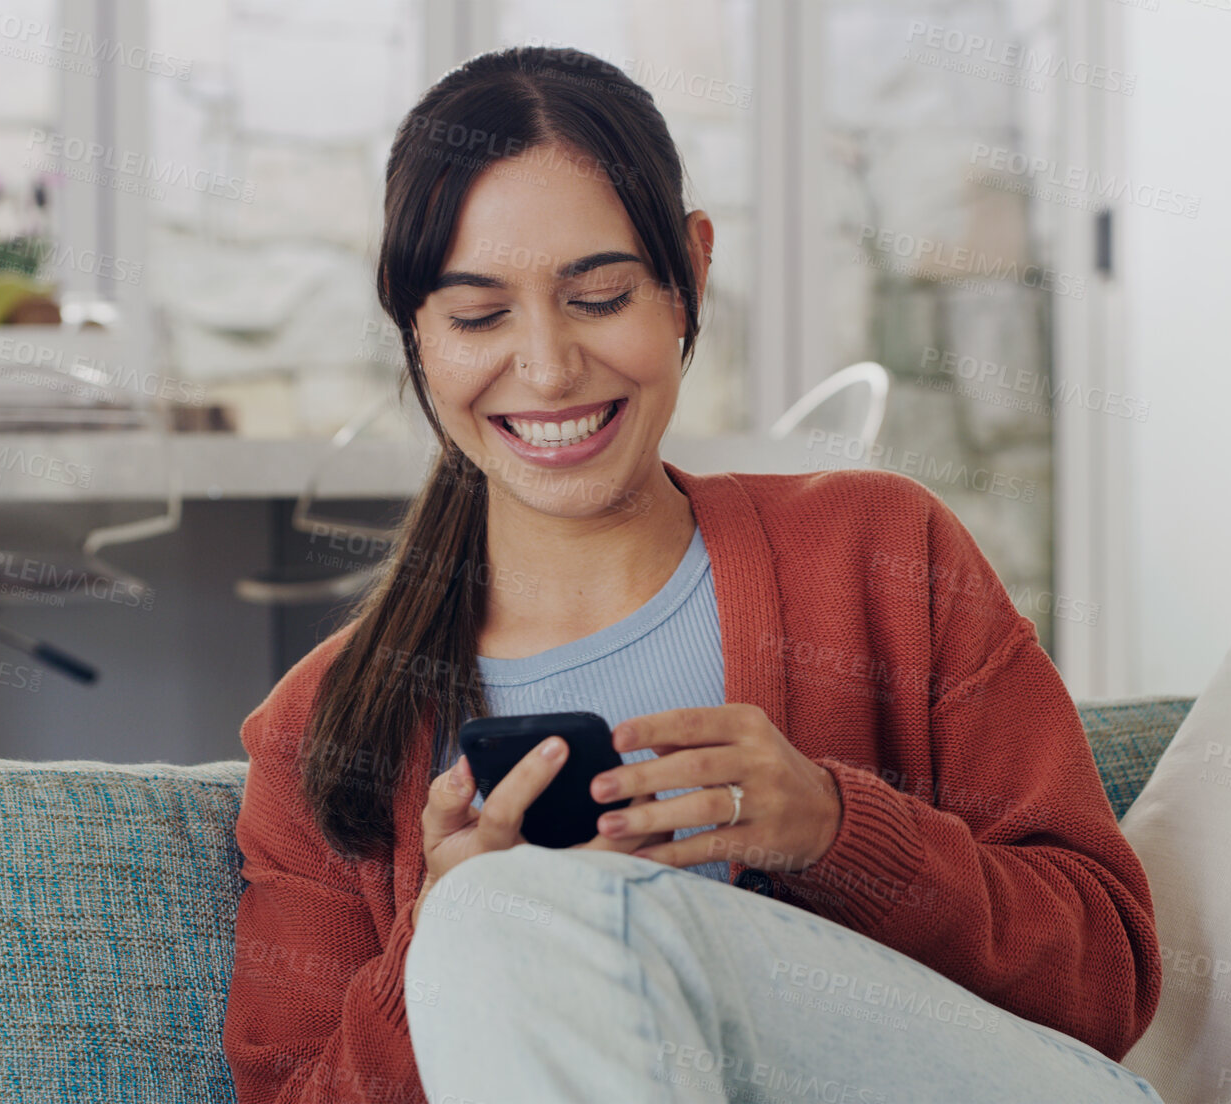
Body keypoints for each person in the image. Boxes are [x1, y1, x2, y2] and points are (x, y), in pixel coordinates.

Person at [220, 45, 1164, 1104]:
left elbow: (1107, 982)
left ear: (690, 276)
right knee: (494, 916)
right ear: (417, 334)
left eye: (599, 295)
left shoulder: (882, 553)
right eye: (478, 315)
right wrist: (441, 936)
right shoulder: (315, 733)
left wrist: (834, 830)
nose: (544, 366)